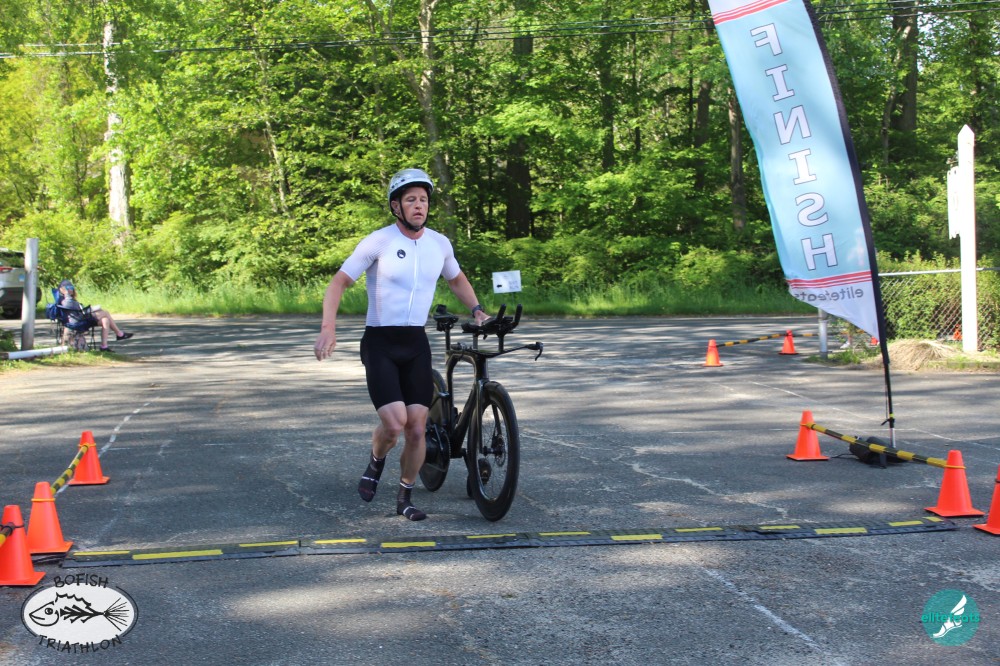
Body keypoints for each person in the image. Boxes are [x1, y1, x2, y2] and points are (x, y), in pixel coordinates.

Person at [314, 168, 490, 521]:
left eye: (423, 199)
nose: (419, 205)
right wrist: (328, 328)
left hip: (415, 342)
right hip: (380, 342)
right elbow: (338, 283)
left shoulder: (439, 244)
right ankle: (376, 459)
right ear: (396, 206)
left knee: (416, 427)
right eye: (411, 200)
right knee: (394, 425)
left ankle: (405, 496)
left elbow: (456, 279)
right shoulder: (378, 241)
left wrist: (477, 310)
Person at [56, 279, 134, 352]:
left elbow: (78, 310)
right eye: (68, 288)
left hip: (81, 318)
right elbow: (69, 306)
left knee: (105, 320)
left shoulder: (70, 299)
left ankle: (104, 346)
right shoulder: (65, 300)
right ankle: (119, 334)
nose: (70, 290)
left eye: (71, 287)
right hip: (78, 322)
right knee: (105, 312)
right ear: (62, 290)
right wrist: (66, 294)